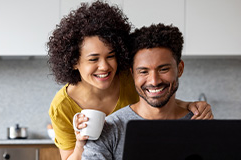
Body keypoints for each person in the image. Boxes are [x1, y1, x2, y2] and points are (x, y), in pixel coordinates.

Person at [47, 1, 213, 160]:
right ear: (74, 62)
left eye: (111, 56)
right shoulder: (62, 105)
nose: (104, 66)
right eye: (93, 59)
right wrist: (81, 143)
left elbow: (156, 99)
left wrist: (190, 106)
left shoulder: (129, 78)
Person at [82, 23, 211, 160]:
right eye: (143, 71)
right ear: (132, 74)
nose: (154, 81)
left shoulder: (202, 123)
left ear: (179, 69)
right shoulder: (109, 130)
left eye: (163, 69)